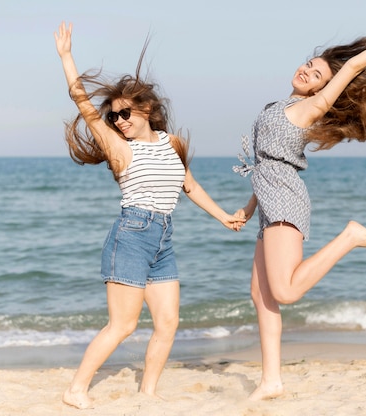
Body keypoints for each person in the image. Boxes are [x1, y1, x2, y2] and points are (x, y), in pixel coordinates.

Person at [233, 24, 366, 400]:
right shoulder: (276, 106)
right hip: (269, 198)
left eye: (318, 75)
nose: (307, 71)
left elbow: (353, 66)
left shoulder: (311, 107)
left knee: (285, 291)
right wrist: (248, 207)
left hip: (285, 199)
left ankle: (350, 236)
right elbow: (265, 164)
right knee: (261, 295)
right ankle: (271, 381)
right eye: (308, 64)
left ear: (321, 89)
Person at [54, 22, 245, 409]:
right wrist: (67, 57)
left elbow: (189, 186)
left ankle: (148, 391)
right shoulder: (117, 146)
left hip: (163, 238)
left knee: (168, 323)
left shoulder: (170, 142)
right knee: (122, 325)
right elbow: (83, 104)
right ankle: (76, 388)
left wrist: (224, 216)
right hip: (132, 233)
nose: (119, 121)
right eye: (114, 118)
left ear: (145, 109)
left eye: (125, 113)